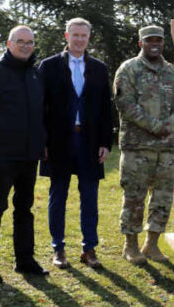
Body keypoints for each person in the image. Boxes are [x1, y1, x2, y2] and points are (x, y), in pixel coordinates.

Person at [0, 26, 48, 283]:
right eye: (20, 41)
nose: (26, 46)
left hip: (28, 155)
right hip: (1, 155)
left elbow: (41, 115)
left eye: (30, 42)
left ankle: (25, 260)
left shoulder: (35, 76)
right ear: (8, 43)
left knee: (24, 208)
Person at [39, 18, 113, 269]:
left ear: (89, 38)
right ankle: (58, 249)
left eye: (84, 35)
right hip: (59, 140)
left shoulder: (99, 68)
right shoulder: (49, 66)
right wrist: (43, 142)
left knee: (90, 197)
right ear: (66, 36)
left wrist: (105, 141)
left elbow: (106, 108)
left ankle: (89, 249)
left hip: (89, 141)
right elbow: (41, 107)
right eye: (75, 35)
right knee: (58, 195)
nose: (79, 39)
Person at [113, 25, 174, 264]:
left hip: (166, 148)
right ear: (141, 43)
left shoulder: (173, 73)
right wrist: (154, 126)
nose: (154, 44)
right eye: (149, 40)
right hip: (138, 147)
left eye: (158, 40)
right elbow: (124, 103)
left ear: (163, 43)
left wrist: (173, 122)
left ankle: (152, 245)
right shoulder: (129, 69)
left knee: (163, 197)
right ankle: (131, 246)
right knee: (134, 198)